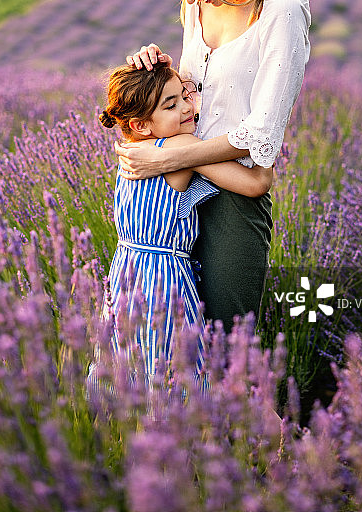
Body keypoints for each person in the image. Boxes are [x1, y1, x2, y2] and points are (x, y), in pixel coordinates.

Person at [116, 0, 311, 334]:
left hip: (232, 198)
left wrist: (172, 158)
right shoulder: (197, 9)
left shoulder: (280, 8)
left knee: (229, 354)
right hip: (173, 204)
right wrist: (157, 73)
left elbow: (260, 135)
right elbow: (193, 98)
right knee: (180, 353)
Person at [98, 62, 272, 379]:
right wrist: (266, 151)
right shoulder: (181, 145)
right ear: (140, 124)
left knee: (136, 364)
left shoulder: (134, 150)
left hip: (126, 274)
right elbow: (256, 185)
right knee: (179, 368)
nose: (187, 107)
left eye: (184, 95)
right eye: (171, 104)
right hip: (164, 280)